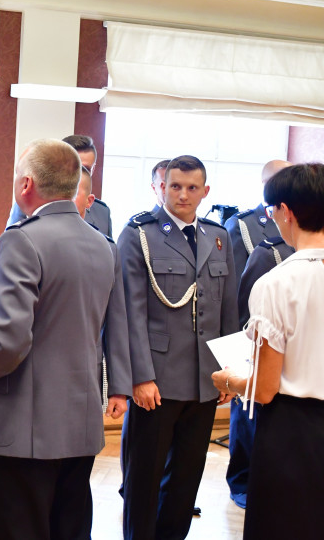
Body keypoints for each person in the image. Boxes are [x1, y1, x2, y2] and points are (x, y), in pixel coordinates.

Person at [0, 139, 131, 539]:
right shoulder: (102, 245)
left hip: (23, 428)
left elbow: (9, 343)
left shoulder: (22, 239)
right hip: (78, 425)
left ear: (26, 184)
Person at [117, 155, 239, 540]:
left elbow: (228, 311)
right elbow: (128, 313)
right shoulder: (139, 235)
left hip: (204, 381)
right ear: (162, 186)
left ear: (205, 192)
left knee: (186, 479)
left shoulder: (218, 237)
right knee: (145, 478)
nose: (183, 195)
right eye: (175, 186)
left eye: (191, 188)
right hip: (157, 381)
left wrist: (229, 374)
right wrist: (140, 377)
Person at [211, 163, 324, 539]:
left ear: (285, 212)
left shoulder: (277, 282)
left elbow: (264, 388)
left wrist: (228, 379)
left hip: (295, 431)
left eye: (271, 210)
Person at [221, 159, 292, 509]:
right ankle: (243, 481)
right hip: (255, 328)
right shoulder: (247, 228)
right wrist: (236, 362)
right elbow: (238, 291)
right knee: (248, 413)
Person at [7, 135, 111, 238]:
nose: (79, 173)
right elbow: (14, 240)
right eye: (75, 167)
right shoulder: (30, 201)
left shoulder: (102, 213)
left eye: (86, 168)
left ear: (93, 169)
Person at [224, 160, 291, 282]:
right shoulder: (243, 224)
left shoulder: (300, 220)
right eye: (286, 180)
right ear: (266, 183)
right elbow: (236, 284)